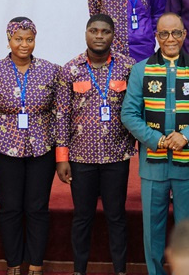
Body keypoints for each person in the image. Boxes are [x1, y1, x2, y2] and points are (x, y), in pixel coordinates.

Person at [121, 12, 189, 275]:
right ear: (156, 36)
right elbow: (128, 113)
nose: (170, 39)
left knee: (187, 228)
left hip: (187, 164)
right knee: (152, 227)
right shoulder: (141, 70)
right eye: (163, 34)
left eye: (176, 32)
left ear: (185, 34)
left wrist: (185, 136)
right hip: (152, 163)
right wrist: (156, 139)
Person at [56, 14, 136, 275]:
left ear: (113, 35)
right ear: (86, 33)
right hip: (80, 159)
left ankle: (120, 271)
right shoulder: (70, 69)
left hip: (116, 157)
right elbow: (61, 116)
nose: (99, 36)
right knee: (82, 218)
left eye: (105, 31)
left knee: (116, 217)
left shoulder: (128, 67)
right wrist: (62, 157)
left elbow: (137, 109)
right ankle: (79, 270)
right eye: (94, 30)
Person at [0, 17, 60, 275]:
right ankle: (13, 263)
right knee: (11, 208)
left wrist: (60, 154)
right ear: (8, 40)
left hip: (42, 150)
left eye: (29, 39)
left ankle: (36, 263)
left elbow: (59, 114)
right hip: (5, 150)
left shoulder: (51, 71)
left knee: (37, 208)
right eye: (18, 39)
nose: (24, 44)